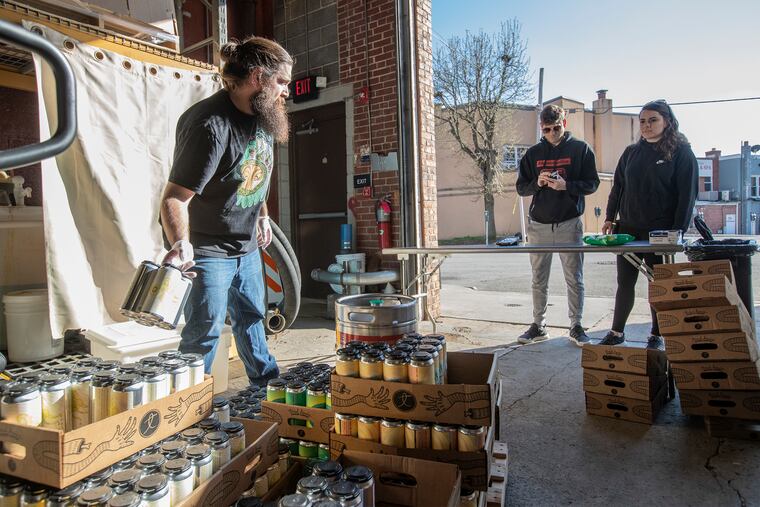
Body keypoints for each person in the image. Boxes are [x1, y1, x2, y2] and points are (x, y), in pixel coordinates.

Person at [159, 36, 293, 386]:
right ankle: (185, 411)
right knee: (204, 334)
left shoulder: (263, 116)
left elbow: (256, 171)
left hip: (246, 246)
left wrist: (262, 214)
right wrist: (180, 244)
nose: (286, 91)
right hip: (207, 251)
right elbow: (174, 198)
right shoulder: (209, 125)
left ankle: (267, 390)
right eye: (282, 82)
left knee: (252, 318)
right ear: (258, 77)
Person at [599, 99, 698, 349]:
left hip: (661, 233)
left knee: (658, 285)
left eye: (653, 120)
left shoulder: (681, 152)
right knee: (625, 283)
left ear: (667, 122)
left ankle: (657, 334)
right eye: (642, 121)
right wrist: (610, 217)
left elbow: (687, 195)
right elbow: (618, 187)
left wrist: (677, 231)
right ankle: (617, 331)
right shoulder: (631, 153)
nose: (646, 125)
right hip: (628, 231)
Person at [516, 105, 599, 346]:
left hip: (569, 222)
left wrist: (567, 186)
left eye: (556, 128)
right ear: (541, 128)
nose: (552, 133)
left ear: (565, 124)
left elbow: (592, 183)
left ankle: (576, 325)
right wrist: (538, 182)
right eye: (547, 129)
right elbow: (522, 188)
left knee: (574, 277)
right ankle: (539, 325)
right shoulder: (532, 154)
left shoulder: (581, 149)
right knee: (538, 278)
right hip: (539, 224)